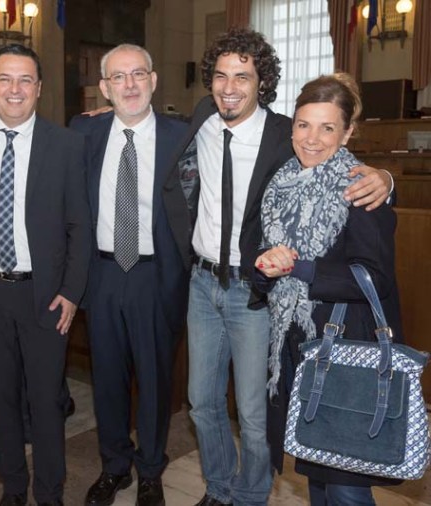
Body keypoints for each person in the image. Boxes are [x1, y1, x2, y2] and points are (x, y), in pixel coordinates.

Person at [161, 28, 393, 506]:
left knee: (254, 411)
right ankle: (218, 488)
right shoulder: (202, 118)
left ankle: (250, 496)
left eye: (242, 77)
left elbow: (337, 163)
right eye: (221, 76)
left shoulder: (287, 136)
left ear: (262, 82)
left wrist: (386, 180)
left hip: (254, 290)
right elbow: (151, 131)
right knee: (202, 403)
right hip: (202, 282)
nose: (229, 87)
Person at [0, 43, 91, 506]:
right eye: (5, 79)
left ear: (39, 88)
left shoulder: (65, 144)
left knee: (46, 401)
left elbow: (80, 225)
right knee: (2, 398)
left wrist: (72, 292)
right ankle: (13, 487)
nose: (15, 89)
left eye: (25, 80)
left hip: (45, 295)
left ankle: (50, 492)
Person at [255, 73, 403, 506]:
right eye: (304, 124)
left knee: (345, 488)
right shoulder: (281, 186)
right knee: (318, 479)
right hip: (298, 351)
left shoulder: (361, 189)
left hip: (345, 355)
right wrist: (266, 267)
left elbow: (374, 278)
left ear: (348, 132)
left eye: (327, 127)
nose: (312, 139)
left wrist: (299, 268)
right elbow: (268, 267)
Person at [68, 44, 189, 506]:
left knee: (155, 380)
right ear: (105, 88)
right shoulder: (84, 131)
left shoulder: (184, 135)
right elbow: (33, 140)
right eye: (118, 77)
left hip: (156, 276)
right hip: (102, 274)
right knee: (108, 378)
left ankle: (151, 470)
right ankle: (114, 466)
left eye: (138, 74)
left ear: (154, 80)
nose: (130, 84)